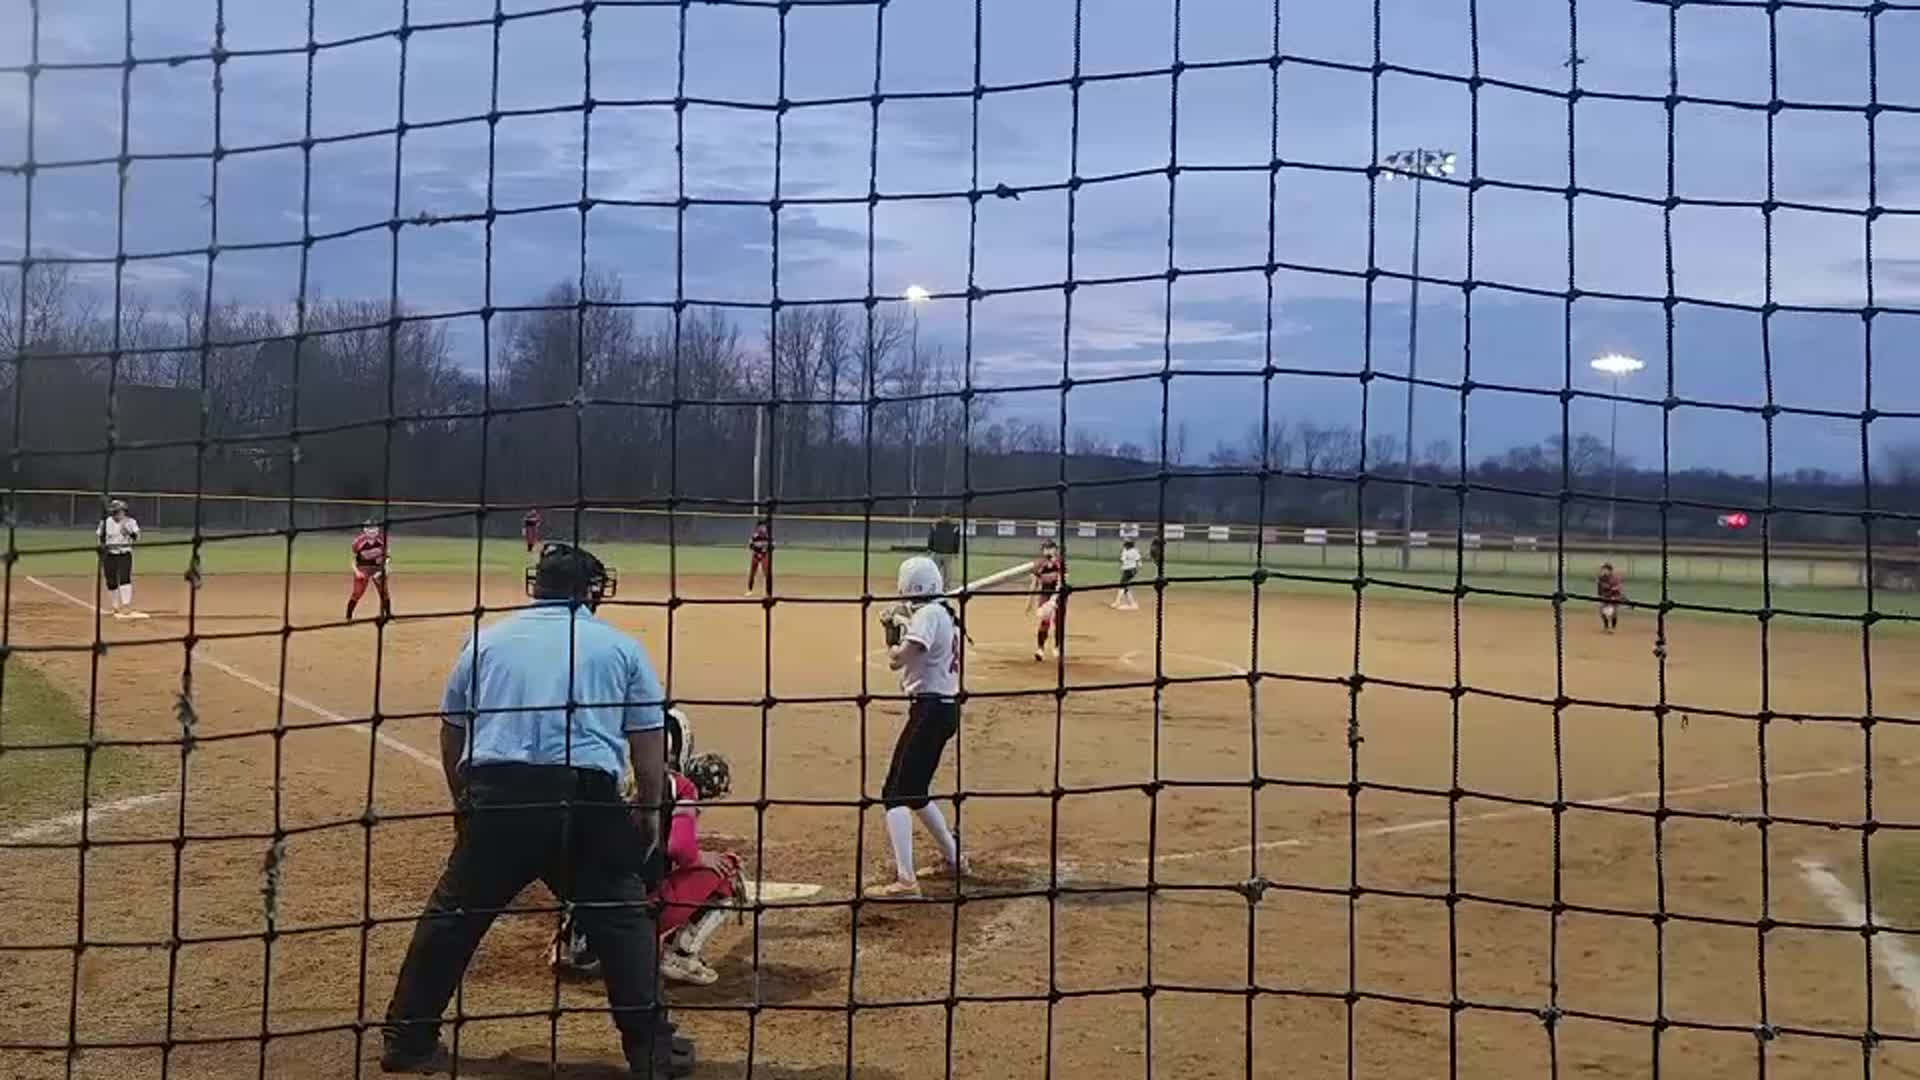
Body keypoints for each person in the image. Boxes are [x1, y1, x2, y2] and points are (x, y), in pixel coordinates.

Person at [381, 542, 693, 1079]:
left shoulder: (485, 640)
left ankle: (408, 1040)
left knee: (451, 921)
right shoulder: (618, 646)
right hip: (586, 801)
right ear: (589, 591)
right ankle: (652, 1052)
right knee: (621, 924)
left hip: (499, 797)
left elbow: (453, 728)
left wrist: (465, 801)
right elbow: (646, 739)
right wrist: (648, 808)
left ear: (538, 585)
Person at [553, 713, 745, 987]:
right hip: (631, 917)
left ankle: (572, 941)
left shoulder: (605, 777)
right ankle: (681, 955)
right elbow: (682, 850)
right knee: (729, 870)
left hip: (588, 908)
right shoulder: (680, 786)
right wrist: (704, 857)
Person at [869, 555, 969, 899]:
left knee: (894, 792)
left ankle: (906, 880)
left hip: (928, 711)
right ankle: (955, 860)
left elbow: (899, 660)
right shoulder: (945, 613)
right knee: (915, 790)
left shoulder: (928, 615)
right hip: (944, 709)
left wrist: (891, 633)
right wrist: (903, 621)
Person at [96, 498, 147, 620]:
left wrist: (128, 532)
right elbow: (100, 538)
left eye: (118, 511)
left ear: (123, 511)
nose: (117, 514)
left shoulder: (130, 522)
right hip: (109, 554)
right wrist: (101, 550)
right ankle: (115, 606)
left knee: (125, 578)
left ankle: (126, 605)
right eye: (114, 512)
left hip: (124, 553)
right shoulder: (105, 522)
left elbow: (137, 537)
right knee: (111, 580)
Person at [1027, 539, 1067, 661]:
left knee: (1059, 622)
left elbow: (1063, 580)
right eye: (1045, 548)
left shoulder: (1060, 562)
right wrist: (1029, 602)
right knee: (1045, 622)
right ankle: (1040, 649)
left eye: (1051, 548)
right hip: (1045, 594)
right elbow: (1034, 583)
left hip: (1059, 594)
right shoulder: (1039, 564)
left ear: (1055, 549)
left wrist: (1057, 596)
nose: (1048, 550)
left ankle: (1057, 647)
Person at [347, 519, 392, 621]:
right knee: (357, 592)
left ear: (378, 529)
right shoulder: (358, 542)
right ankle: (348, 615)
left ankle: (388, 615)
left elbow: (388, 557)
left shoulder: (383, 539)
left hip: (378, 567)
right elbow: (353, 559)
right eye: (369, 528)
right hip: (363, 568)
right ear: (364, 530)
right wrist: (357, 572)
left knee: (384, 592)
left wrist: (384, 570)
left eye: (374, 528)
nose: (372, 531)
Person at [925, 515, 961, 590]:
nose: (945, 518)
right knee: (936, 571)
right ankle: (936, 586)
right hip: (937, 553)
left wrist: (956, 551)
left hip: (947, 553)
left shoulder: (954, 527)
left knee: (946, 572)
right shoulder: (937, 526)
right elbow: (931, 537)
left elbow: (957, 540)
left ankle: (944, 587)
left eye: (947, 516)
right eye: (944, 516)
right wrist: (929, 548)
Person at [1111, 539, 1141, 611]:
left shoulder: (1125, 551)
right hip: (1133, 570)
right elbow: (1139, 562)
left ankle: (1117, 602)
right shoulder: (1135, 551)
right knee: (1125, 586)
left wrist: (1122, 564)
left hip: (1127, 570)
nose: (1125, 546)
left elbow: (1122, 560)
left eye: (1126, 545)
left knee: (1122, 585)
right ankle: (1132, 603)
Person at [1597, 561, 1626, 633]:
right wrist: (1600, 595)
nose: (1603, 571)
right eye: (1603, 569)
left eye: (1605, 569)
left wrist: (1615, 594)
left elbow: (1618, 588)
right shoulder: (1601, 578)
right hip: (1606, 596)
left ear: (1610, 571)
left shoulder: (1615, 578)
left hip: (1615, 597)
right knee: (1602, 611)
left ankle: (1613, 628)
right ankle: (1606, 627)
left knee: (1613, 613)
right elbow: (1599, 588)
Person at [747, 520, 773, 596]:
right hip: (756, 555)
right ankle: (749, 590)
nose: (762, 528)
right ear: (757, 528)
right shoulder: (755, 536)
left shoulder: (768, 537)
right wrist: (757, 552)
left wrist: (765, 551)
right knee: (752, 573)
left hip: (765, 556)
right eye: (760, 526)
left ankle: (768, 592)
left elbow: (772, 547)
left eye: (763, 526)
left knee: (766, 574)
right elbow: (750, 545)